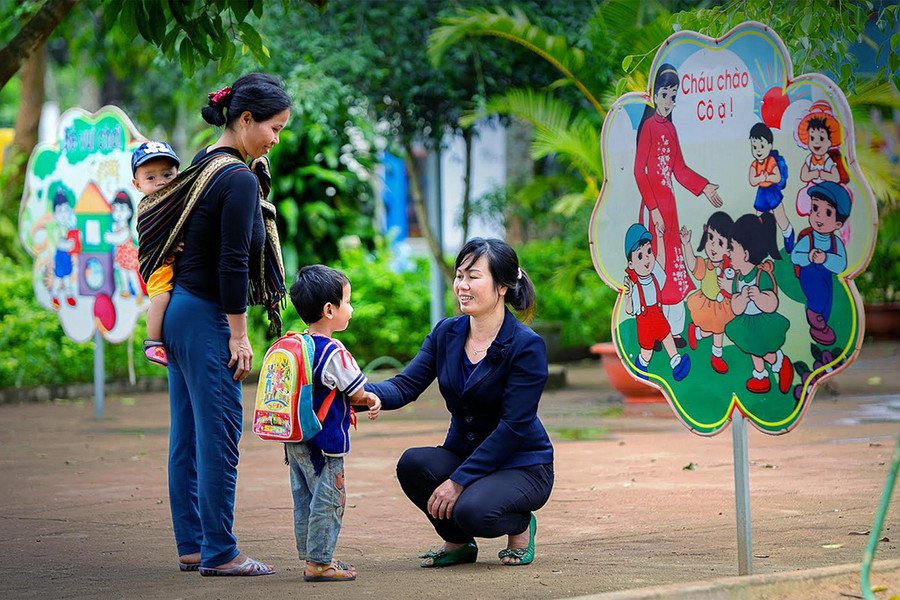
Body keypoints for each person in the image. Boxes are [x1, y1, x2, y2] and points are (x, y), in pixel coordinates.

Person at [150, 73, 290, 576]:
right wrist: (238, 333)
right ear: (245, 119)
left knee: (187, 436)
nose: (276, 139)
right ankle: (220, 551)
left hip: (179, 311)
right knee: (219, 436)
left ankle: (193, 544)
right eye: (273, 128)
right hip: (207, 314)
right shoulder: (235, 177)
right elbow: (233, 262)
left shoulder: (204, 164)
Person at [365, 238, 554, 568]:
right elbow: (405, 386)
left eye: (473, 277)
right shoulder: (446, 333)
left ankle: (521, 524)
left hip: (520, 464)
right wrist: (352, 391)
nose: (462, 286)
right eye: (459, 276)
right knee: (413, 464)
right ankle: (458, 543)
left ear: (503, 287)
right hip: (466, 453)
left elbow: (513, 427)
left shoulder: (526, 346)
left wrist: (458, 481)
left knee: (473, 511)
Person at [285, 265, 382, 582]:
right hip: (324, 445)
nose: (351, 309)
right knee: (329, 500)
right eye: (348, 301)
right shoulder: (334, 351)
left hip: (295, 438)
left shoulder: (297, 343)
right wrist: (370, 399)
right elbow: (354, 391)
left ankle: (312, 556)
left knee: (305, 500)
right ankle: (319, 563)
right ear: (329, 310)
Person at [633, 62, 723, 347]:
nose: (669, 102)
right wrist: (654, 210)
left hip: (669, 207)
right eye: (665, 95)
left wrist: (704, 186)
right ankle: (655, 331)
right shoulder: (648, 127)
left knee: (672, 265)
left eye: (674, 97)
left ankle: (674, 330)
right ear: (654, 95)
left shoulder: (670, 131)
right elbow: (639, 171)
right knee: (654, 264)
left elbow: (680, 169)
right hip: (654, 209)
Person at [725, 213, 794, 395]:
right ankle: (761, 376)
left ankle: (779, 362)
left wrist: (758, 296)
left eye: (732, 248)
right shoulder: (738, 278)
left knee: (760, 347)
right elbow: (735, 308)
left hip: (762, 322)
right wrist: (741, 298)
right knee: (752, 347)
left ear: (746, 254)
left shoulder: (760, 275)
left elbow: (772, 303)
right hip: (747, 322)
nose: (728, 253)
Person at [131, 141, 180, 366]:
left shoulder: (176, 199)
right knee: (161, 298)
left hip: (172, 262)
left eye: (167, 175)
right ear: (137, 184)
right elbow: (151, 236)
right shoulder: (148, 208)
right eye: (150, 178)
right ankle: (154, 341)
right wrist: (169, 244)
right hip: (158, 264)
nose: (160, 181)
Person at [623, 223, 691, 382]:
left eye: (648, 251)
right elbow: (629, 310)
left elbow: (661, 259)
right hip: (646, 326)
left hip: (660, 320)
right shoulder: (636, 287)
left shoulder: (655, 277)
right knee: (647, 353)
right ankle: (641, 365)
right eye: (640, 255)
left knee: (668, 339)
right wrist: (628, 295)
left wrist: (659, 238)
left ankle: (677, 365)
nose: (646, 258)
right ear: (631, 264)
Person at [790, 181, 850, 346]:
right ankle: (814, 316)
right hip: (809, 275)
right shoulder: (808, 239)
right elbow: (795, 257)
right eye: (815, 208)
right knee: (818, 296)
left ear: (838, 224)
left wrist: (826, 259)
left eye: (828, 212)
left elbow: (841, 264)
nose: (818, 216)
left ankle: (820, 323)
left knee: (828, 301)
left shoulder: (836, 242)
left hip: (826, 277)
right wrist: (809, 256)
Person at [679, 212, 735, 374]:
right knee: (717, 328)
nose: (713, 246)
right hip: (706, 302)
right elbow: (692, 266)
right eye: (710, 238)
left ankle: (696, 333)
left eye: (720, 242)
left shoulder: (729, 267)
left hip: (723, 303)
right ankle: (716, 356)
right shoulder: (706, 264)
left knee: (715, 328)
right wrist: (686, 244)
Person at [747, 123, 794, 251]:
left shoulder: (771, 161)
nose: (758, 150)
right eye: (754, 147)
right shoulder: (754, 164)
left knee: (779, 216)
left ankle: (788, 232)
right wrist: (760, 179)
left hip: (772, 192)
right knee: (759, 218)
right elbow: (752, 180)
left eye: (762, 146)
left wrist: (766, 178)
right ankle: (762, 242)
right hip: (761, 193)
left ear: (770, 145)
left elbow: (777, 177)